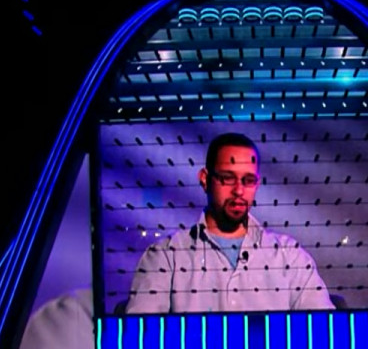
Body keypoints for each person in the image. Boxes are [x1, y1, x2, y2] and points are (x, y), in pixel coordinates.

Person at [124, 132, 335, 314]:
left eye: (248, 181)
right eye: (228, 178)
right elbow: (142, 339)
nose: (239, 191)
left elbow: (324, 333)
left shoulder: (290, 256)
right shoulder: (166, 257)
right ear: (205, 179)